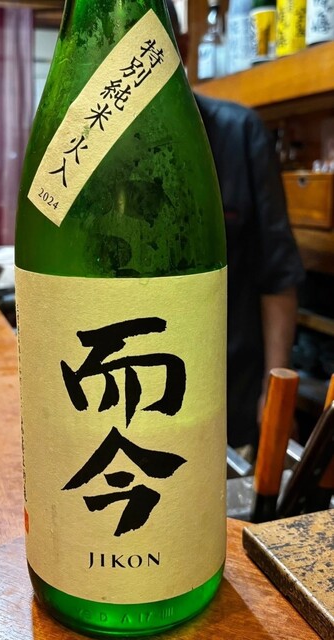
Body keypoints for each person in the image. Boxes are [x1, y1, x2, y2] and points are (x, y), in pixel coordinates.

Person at [167, 0, 306, 460]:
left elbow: (277, 275)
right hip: (133, 396)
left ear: (183, 46)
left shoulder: (241, 132)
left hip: (231, 395)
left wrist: (275, 392)